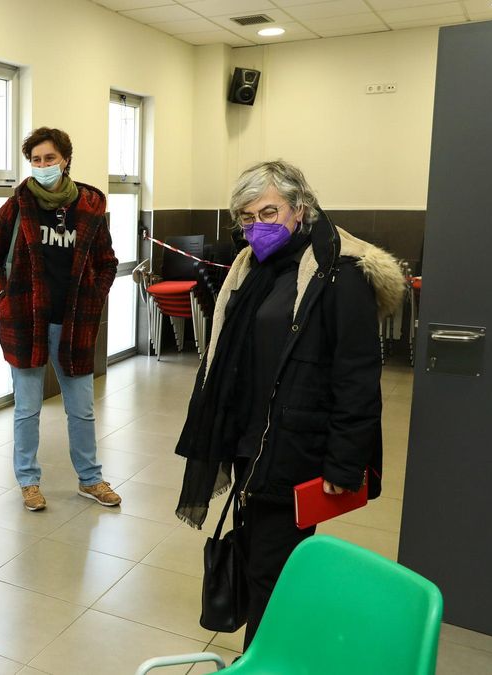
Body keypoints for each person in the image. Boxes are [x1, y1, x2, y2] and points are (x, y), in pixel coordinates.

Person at [173, 160, 405, 648]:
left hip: (296, 448)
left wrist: (344, 465)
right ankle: (266, 652)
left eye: (269, 212)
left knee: (272, 569)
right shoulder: (250, 269)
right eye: (247, 218)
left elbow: (358, 379)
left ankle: (268, 657)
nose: (257, 227)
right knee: (258, 554)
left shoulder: (340, 273)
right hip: (249, 442)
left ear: (300, 209)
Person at [0, 127, 121, 512]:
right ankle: (28, 481)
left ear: (66, 160)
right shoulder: (17, 207)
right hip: (26, 322)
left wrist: (95, 293)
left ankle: (90, 479)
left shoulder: (89, 206)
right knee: (27, 408)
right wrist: (3, 298)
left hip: (75, 324)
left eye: (49, 159)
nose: (42, 166)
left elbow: (107, 262)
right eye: (36, 160)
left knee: (82, 408)